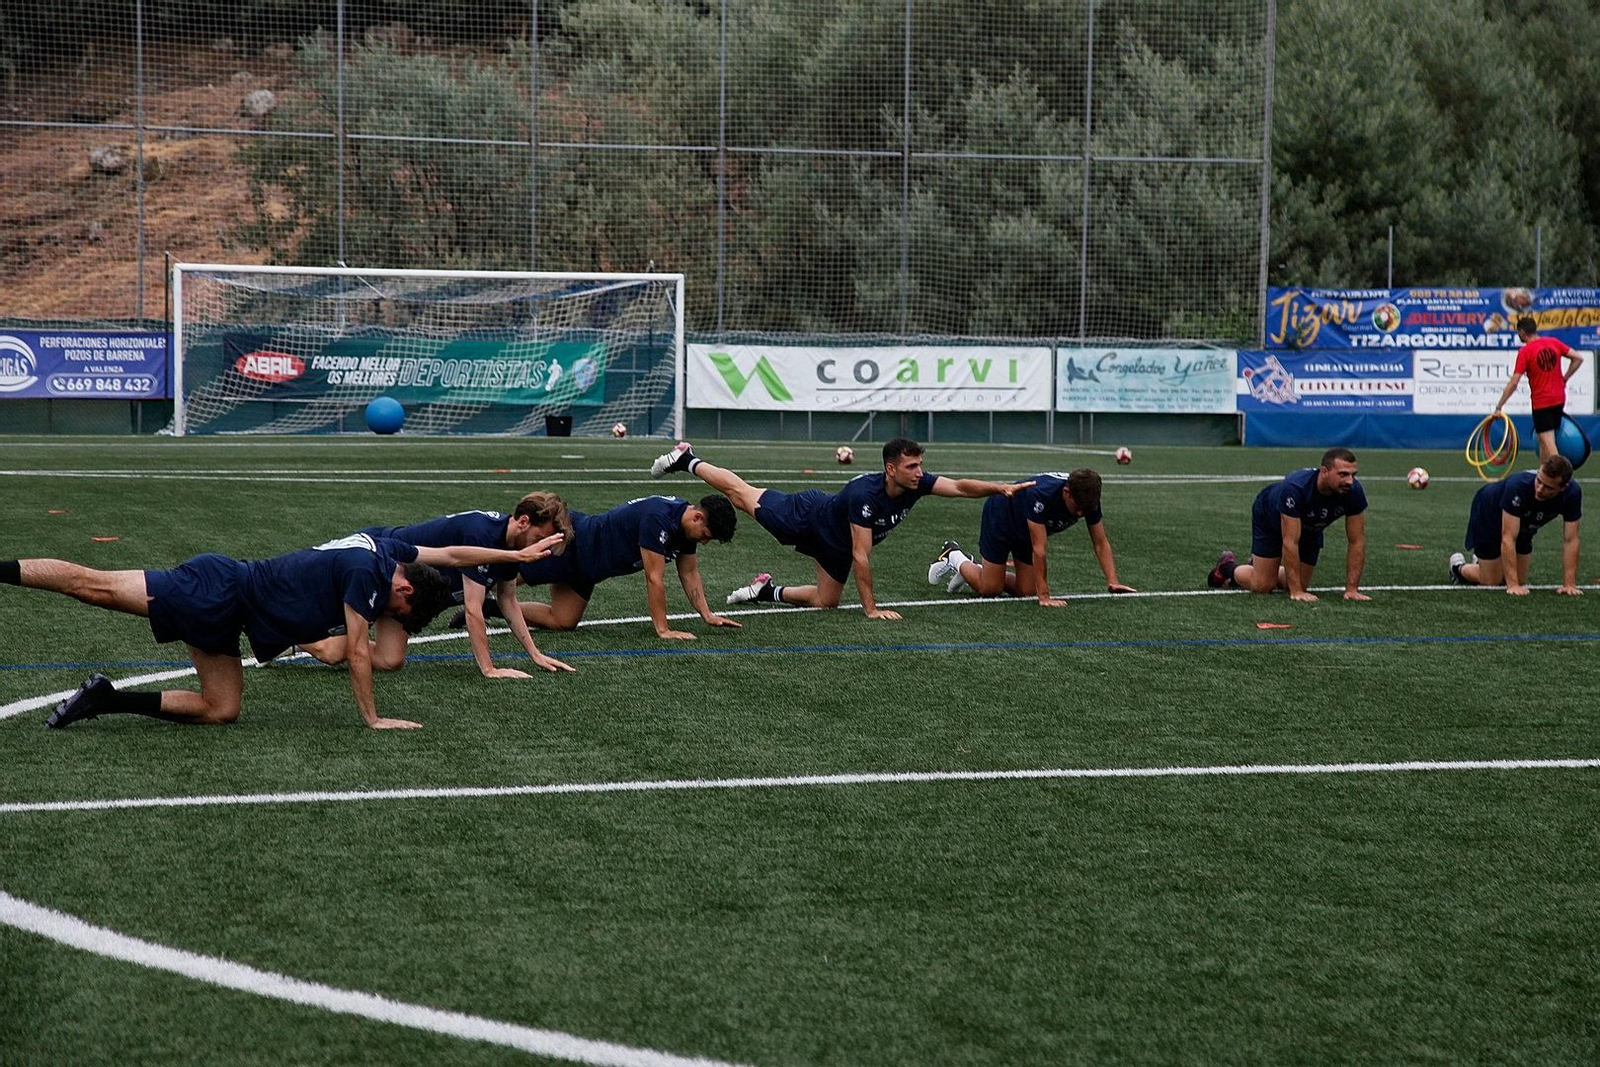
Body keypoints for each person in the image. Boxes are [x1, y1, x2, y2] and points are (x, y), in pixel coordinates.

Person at [1, 531, 562, 730]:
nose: (391, 619)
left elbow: (450, 552)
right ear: (405, 592)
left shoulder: (388, 552)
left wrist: (522, 550)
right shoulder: (368, 575)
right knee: (90, 584)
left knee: (221, 708)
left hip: (228, 616)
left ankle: (106, 699)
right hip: (217, 589)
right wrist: (372, 716)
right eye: (400, 616)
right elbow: (360, 654)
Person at [649, 437, 1031, 620]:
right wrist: (871, 610)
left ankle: (766, 590)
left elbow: (961, 487)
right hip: (807, 518)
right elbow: (861, 555)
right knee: (741, 495)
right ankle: (689, 460)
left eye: (920, 466)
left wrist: (999, 488)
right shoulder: (864, 494)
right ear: (891, 469)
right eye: (911, 466)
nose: (919, 472)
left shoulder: (918, 483)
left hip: (833, 546)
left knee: (826, 601)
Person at [299, 492, 578, 678]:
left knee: (389, 660)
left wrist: (535, 654)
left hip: (405, 597)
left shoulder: (512, 546)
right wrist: (489, 668)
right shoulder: (480, 533)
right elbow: (473, 610)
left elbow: (508, 600)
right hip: (377, 565)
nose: (539, 546)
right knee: (333, 651)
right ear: (524, 522)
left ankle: (291, 637)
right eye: (539, 537)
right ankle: (287, 632)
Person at [485, 494, 743, 640]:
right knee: (497, 579)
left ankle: (491, 607)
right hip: (574, 547)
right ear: (697, 517)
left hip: (589, 570)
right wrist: (663, 629)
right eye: (706, 534)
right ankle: (453, 585)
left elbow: (689, 572)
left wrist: (706, 614)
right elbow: (654, 578)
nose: (705, 541)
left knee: (563, 621)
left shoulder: (687, 530)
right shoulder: (659, 519)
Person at [926, 469, 1135, 605]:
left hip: (1027, 529)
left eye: (1085, 510)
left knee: (1026, 592)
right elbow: (1039, 548)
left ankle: (979, 570)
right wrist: (1044, 596)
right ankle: (953, 554)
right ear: (1066, 492)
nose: (1080, 514)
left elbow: (1100, 543)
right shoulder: (1042, 495)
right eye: (1077, 508)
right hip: (1001, 517)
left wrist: (1112, 581)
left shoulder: (1088, 500)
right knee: (990, 590)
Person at [1207, 447, 1370, 601]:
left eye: (1352, 475)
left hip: (1311, 527)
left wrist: (1352, 589)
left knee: (1299, 582)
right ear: (1324, 472)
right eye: (1343, 474)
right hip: (1270, 517)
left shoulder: (1353, 491)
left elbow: (1357, 541)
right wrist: (1296, 591)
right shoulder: (1296, 488)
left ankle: (1260, 566)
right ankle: (1226, 567)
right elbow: (1290, 541)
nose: (1350, 481)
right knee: (1263, 586)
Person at [1449, 454, 1582, 596]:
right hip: (1490, 511)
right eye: (1539, 481)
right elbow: (1508, 537)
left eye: (1548, 487)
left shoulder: (1572, 494)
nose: (1539, 489)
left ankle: (1485, 564)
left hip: (1525, 520)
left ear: (1563, 487)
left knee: (1520, 579)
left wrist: (1569, 585)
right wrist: (1512, 585)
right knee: (1492, 580)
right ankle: (1457, 567)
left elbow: (1571, 540)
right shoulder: (1518, 486)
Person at [1492, 316, 1586, 461]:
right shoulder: (1553, 342)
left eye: (1519, 333)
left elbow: (1514, 382)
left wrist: (1499, 406)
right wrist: (1565, 378)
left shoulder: (1526, 352)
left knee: (1546, 439)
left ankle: (1560, 475)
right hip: (1559, 397)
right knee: (1543, 440)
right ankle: (1543, 473)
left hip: (1542, 401)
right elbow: (1578, 358)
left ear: (1522, 332)